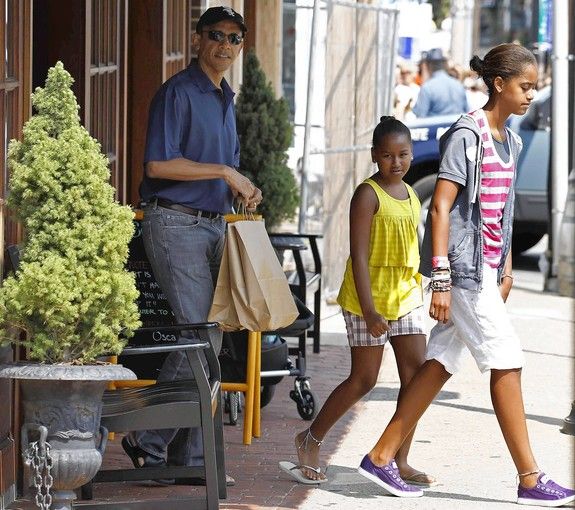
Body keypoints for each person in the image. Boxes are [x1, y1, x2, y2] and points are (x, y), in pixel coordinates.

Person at [357, 44, 575, 507]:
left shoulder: (511, 141)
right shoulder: (467, 134)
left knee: (439, 363)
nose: (531, 95)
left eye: (533, 87)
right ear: (499, 84)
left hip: (487, 270)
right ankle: (530, 478)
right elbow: (440, 207)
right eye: (525, 86)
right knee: (506, 360)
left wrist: (507, 265)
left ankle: (381, 456)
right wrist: (440, 279)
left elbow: (500, 213)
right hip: (462, 272)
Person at [121, 6, 262, 485]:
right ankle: (151, 440)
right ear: (197, 39)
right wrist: (223, 172)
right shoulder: (177, 92)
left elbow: (227, 167)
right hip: (174, 223)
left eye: (235, 39)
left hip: (214, 225)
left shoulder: (225, 96)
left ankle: (187, 455)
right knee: (201, 335)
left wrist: (243, 187)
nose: (226, 45)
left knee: (210, 335)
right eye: (217, 35)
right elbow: (158, 166)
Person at [279, 116, 435, 489]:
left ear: (412, 154)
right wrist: (369, 309)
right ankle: (310, 439)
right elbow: (359, 257)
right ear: (374, 156)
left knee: (416, 378)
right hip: (368, 297)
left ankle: (398, 457)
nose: (396, 162)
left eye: (403, 154)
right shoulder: (367, 194)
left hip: (405, 295)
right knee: (364, 379)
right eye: (387, 155)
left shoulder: (412, 194)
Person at [412, 48, 468, 118]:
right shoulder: (458, 85)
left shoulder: (427, 87)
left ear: (428, 65)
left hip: (435, 125)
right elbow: (466, 112)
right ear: (444, 64)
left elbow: (420, 116)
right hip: (458, 124)